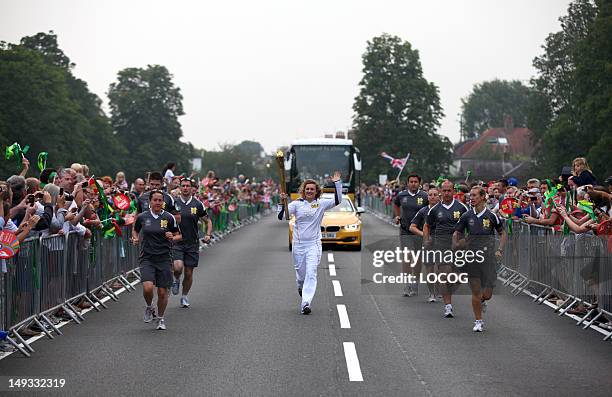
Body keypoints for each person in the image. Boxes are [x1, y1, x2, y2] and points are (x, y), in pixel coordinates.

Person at [278, 171, 342, 315]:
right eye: (307, 189)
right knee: (301, 276)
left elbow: (338, 200)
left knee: (311, 272)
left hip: (314, 244)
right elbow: (282, 217)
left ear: (316, 191)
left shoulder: (321, 204)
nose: (309, 191)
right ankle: (301, 288)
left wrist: (337, 183)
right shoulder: (296, 204)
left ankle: (306, 303)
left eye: (312, 189)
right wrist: (282, 202)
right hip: (299, 245)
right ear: (303, 190)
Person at [453, 186, 506, 332]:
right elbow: (457, 233)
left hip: (488, 258)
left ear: (483, 197)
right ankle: (478, 321)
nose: (472, 198)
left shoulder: (491, 216)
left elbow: (502, 233)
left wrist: (500, 249)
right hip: (472, 257)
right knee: (475, 290)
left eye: (475, 195)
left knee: (487, 294)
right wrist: (457, 245)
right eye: (471, 196)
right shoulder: (466, 216)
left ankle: (482, 301)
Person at [132, 190, 182, 330]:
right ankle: (149, 307)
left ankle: (160, 318)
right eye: (155, 200)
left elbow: (179, 236)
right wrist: (135, 238)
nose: (158, 203)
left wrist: (172, 237)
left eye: (160, 200)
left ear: (163, 202)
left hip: (164, 258)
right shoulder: (143, 217)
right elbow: (135, 230)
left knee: (162, 292)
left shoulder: (169, 217)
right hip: (147, 257)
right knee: (148, 288)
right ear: (150, 201)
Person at [423, 180, 468, 318]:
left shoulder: (462, 208)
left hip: (458, 247)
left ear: (454, 191)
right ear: (441, 192)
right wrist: (427, 240)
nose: (447, 193)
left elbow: (470, 226)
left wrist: (464, 242)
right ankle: (448, 306)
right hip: (441, 245)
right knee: (444, 275)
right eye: (444, 190)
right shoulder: (435, 209)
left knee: (458, 277)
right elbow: (426, 226)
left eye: (449, 190)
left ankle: (447, 292)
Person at [171, 178, 213, 307]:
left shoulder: (197, 204)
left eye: (187, 186)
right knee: (178, 268)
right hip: (178, 242)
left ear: (191, 188)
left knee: (189, 272)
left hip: (192, 242)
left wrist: (207, 234)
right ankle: (176, 279)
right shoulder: (174, 203)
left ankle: (184, 296)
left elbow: (208, 221)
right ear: (180, 188)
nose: (185, 188)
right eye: (183, 186)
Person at [393, 173, 428, 297]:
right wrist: (397, 216)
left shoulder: (424, 196)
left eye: (415, 182)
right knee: (407, 257)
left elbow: (430, 210)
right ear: (407, 183)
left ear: (419, 183)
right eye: (411, 181)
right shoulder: (402, 195)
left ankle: (415, 282)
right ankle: (406, 283)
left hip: (419, 231)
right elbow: (396, 204)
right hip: (405, 230)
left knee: (417, 259)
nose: (413, 184)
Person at [409, 186, 440, 302]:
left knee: (440, 269)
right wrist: (424, 235)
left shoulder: (445, 210)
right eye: (430, 195)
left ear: (439, 196)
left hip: (442, 244)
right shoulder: (423, 211)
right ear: (427, 197)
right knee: (430, 270)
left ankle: (439, 288)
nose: (432, 197)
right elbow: (412, 227)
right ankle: (432, 294)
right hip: (428, 244)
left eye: (435, 195)